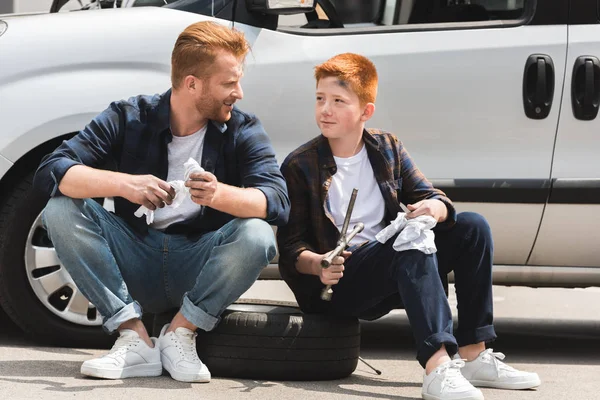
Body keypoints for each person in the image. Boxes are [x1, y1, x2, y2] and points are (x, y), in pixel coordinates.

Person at [34, 21, 289, 383]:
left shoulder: (243, 129)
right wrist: (125, 185)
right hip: (133, 257)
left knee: (258, 235)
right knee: (59, 208)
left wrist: (220, 194)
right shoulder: (128, 115)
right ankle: (132, 335)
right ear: (191, 84)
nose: (239, 93)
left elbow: (277, 200)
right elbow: (51, 170)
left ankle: (181, 332)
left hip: (198, 263)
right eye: (229, 83)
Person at [276, 52, 540, 400]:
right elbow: (291, 248)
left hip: (390, 266)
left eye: (339, 101)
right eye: (320, 99)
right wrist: (319, 263)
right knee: (409, 244)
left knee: (472, 227)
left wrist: (432, 207)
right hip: (338, 282)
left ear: (365, 111)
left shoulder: (386, 147)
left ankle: (474, 355)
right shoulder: (300, 164)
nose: (325, 109)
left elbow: (435, 197)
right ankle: (437, 369)